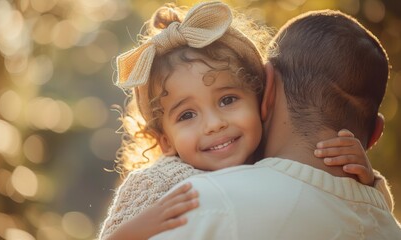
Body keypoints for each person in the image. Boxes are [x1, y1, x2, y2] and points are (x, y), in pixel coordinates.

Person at [99, 3, 396, 240]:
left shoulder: (259, 161)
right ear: (165, 140)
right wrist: (134, 231)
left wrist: (368, 180)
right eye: (187, 115)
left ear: (262, 94)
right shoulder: (158, 185)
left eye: (228, 100)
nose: (214, 124)